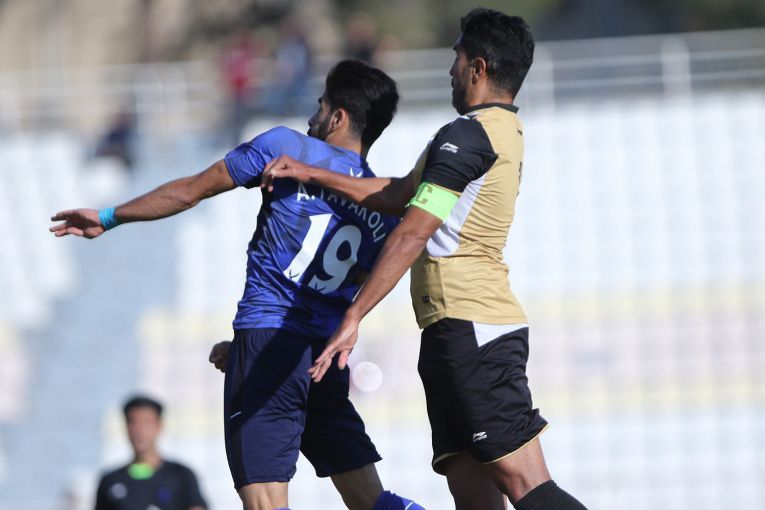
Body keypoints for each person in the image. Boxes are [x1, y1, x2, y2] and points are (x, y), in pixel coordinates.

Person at [50, 60, 423, 510]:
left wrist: (109, 216)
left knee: (265, 501)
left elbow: (191, 190)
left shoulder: (287, 147)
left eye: (321, 106)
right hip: (321, 359)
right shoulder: (383, 204)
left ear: (338, 118)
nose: (312, 117)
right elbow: (356, 280)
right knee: (372, 500)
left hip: (268, 342)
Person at [261, 9, 588, 510]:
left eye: (457, 57)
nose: (450, 69)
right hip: (449, 330)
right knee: (472, 493)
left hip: (473, 326)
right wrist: (313, 173)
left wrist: (354, 315)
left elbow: (414, 228)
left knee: (523, 480)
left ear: (478, 68)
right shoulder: (485, 134)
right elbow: (397, 195)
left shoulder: (470, 135)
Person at [94, 395, 207, 510]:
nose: (139, 431)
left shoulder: (181, 476)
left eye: (146, 423)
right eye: (133, 423)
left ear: (159, 426)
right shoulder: (110, 481)